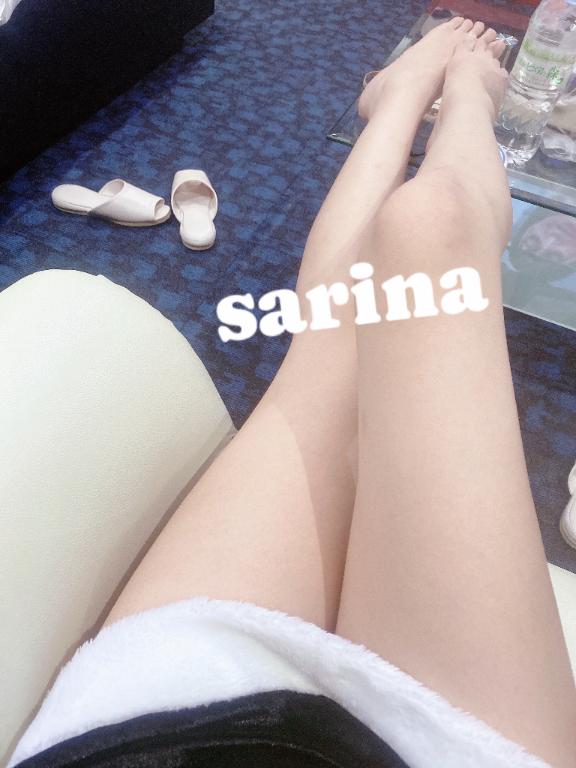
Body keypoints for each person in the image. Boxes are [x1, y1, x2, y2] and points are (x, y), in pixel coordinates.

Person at [9, 18, 576, 768]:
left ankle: (398, 101)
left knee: (335, 335)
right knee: (431, 228)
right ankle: (467, 97)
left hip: (160, 726)